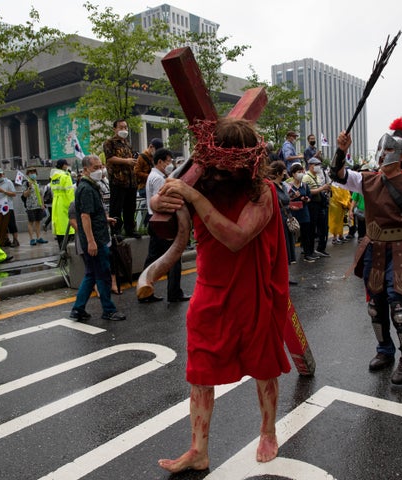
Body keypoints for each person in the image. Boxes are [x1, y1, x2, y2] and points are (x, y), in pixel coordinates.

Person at [152, 117, 291, 472]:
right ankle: (198, 450)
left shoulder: (262, 193)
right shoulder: (201, 185)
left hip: (252, 291)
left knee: (263, 368)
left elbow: (236, 237)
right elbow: (159, 208)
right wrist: (162, 200)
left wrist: (192, 196)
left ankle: (268, 431)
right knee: (200, 372)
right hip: (209, 290)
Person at [330, 118, 402, 385]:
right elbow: (337, 173)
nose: (384, 156)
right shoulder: (366, 180)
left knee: (400, 308)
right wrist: (341, 149)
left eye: (390, 151)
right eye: (381, 151)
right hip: (374, 247)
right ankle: (384, 351)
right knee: (375, 305)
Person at [70, 155, 126, 322]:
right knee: (103, 275)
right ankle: (108, 309)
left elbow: (92, 214)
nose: (99, 170)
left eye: (100, 166)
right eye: (95, 168)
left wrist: (105, 219)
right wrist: (91, 241)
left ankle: (78, 309)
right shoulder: (86, 189)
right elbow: (85, 217)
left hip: (97, 237)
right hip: (96, 240)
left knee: (91, 275)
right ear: (85, 169)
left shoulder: (89, 186)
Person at [141, 147, 191, 303]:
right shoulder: (159, 179)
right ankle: (174, 292)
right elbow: (164, 201)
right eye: (168, 161)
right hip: (162, 222)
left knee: (153, 256)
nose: (170, 164)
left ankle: (145, 291)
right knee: (174, 258)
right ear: (160, 161)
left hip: (154, 221)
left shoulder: (154, 176)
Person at [104, 119, 140, 238]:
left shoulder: (127, 143)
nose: (124, 130)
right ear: (114, 129)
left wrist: (133, 160)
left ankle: (130, 229)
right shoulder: (109, 142)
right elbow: (109, 158)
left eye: (125, 127)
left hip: (131, 180)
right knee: (116, 208)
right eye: (121, 127)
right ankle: (116, 231)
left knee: (130, 207)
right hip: (117, 180)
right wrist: (126, 161)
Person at [269, 161, 297, 266]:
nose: (285, 174)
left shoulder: (284, 186)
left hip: (287, 217)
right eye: (283, 171)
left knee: (289, 245)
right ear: (278, 173)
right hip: (278, 218)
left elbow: (287, 200)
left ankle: (286, 274)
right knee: (282, 246)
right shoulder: (271, 187)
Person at [303, 157, 331, 257]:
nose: (319, 167)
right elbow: (308, 191)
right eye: (317, 165)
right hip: (312, 205)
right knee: (311, 229)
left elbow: (318, 189)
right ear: (311, 166)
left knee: (322, 227)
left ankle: (319, 249)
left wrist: (325, 190)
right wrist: (322, 188)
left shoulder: (317, 176)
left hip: (319, 205)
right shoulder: (306, 177)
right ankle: (309, 251)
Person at [288, 163, 316, 262]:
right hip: (293, 213)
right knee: (293, 234)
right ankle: (291, 256)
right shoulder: (288, 186)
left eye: (302, 172)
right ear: (293, 174)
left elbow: (309, 198)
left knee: (306, 233)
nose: (301, 174)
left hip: (304, 212)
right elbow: (286, 201)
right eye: (298, 172)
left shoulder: (304, 185)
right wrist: (293, 198)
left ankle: (307, 253)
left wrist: (306, 199)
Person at [50, 159, 75, 247]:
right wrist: (72, 204)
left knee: (59, 226)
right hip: (65, 201)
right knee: (68, 226)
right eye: (66, 165)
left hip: (56, 202)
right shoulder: (65, 176)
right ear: (63, 165)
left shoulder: (54, 177)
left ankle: (61, 246)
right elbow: (70, 192)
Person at [0, 168, 17, 247]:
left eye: (0, 174)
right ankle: (6, 239)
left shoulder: (8, 182)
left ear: (3, 174)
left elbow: (14, 194)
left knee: (11, 224)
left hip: (8, 205)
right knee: (3, 224)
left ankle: (15, 239)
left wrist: (3, 191)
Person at [22, 166, 48, 246]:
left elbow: (40, 194)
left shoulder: (37, 183)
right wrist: (29, 187)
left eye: (34, 172)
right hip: (30, 206)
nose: (33, 174)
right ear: (28, 174)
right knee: (31, 222)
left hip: (38, 205)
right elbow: (25, 195)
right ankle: (31, 239)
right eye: (31, 172)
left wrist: (42, 204)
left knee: (38, 222)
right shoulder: (26, 183)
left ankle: (38, 237)